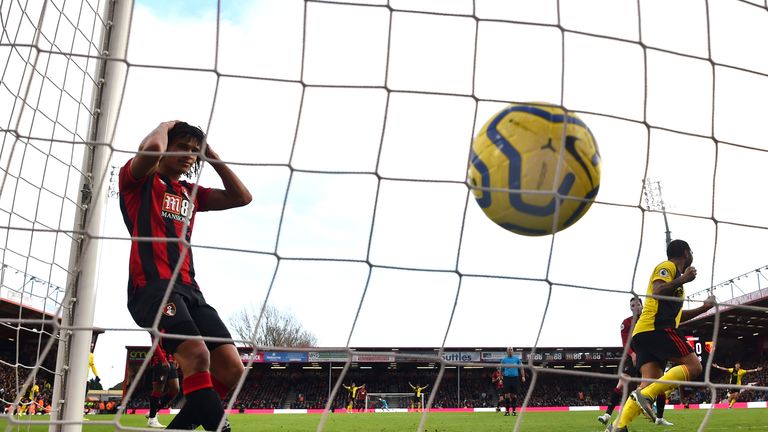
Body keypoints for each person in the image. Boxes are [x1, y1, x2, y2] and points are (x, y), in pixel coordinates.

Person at [119, 121, 252, 430]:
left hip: (191, 289)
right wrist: (166, 125)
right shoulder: (139, 180)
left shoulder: (190, 193)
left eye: (194, 151)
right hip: (152, 288)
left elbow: (242, 197)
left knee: (232, 369)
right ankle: (220, 426)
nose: (189, 155)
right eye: (182, 146)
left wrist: (211, 154)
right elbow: (151, 149)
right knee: (197, 355)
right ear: (166, 144)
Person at [607, 240, 716, 432]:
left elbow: (679, 317)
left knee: (649, 383)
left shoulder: (676, 283)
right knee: (694, 366)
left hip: (645, 333)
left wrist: (704, 308)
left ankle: (617, 427)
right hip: (656, 328)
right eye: (691, 252)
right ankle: (647, 397)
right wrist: (683, 279)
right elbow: (657, 291)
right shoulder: (668, 267)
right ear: (685, 253)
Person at [598, 298, 673, 426]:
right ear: (630, 308)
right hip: (632, 354)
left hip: (649, 355)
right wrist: (633, 354)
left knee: (660, 384)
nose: (635, 307)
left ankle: (659, 418)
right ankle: (607, 415)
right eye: (632, 305)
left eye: (638, 304)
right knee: (622, 382)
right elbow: (626, 343)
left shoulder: (650, 319)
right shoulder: (626, 323)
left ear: (642, 306)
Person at [145, 340, 181, 428]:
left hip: (171, 361)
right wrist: (163, 359)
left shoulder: (172, 330)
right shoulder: (158, 328)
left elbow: (174, 345)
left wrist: (176, 359)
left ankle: (153, 411)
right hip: (160, 361)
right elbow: (155, 343)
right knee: (158, 390)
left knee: (175, 389)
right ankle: (152, 419)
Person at [501, 347, 525, 416]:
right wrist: (500, 378)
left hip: (515, 378)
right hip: (506, 379)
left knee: (514, 395)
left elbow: (521, 368)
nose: (510, 351)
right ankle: (507, 411)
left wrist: (523, 376)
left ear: (513, 351)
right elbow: (501, 369)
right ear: (507, 351)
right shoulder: (504, 360)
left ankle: (514, 411)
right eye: (509, 350)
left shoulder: (517, 359)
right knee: (506, 395)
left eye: (511, 349)